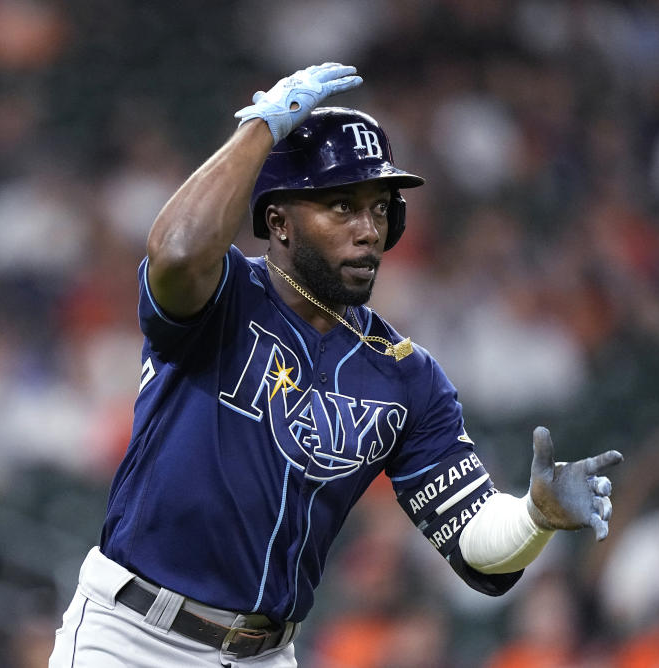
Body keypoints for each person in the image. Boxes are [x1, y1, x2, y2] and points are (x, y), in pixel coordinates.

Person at [49, 62, 623, 668]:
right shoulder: (221, 294)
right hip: (132, 637)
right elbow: (177, 250)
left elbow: (475, 542)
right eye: (342, 205)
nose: (367, 229)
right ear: (278, 221)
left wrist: (535, 516)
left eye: (379, 209)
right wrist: (260, 131)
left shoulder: (407, 376)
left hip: (264, 655)